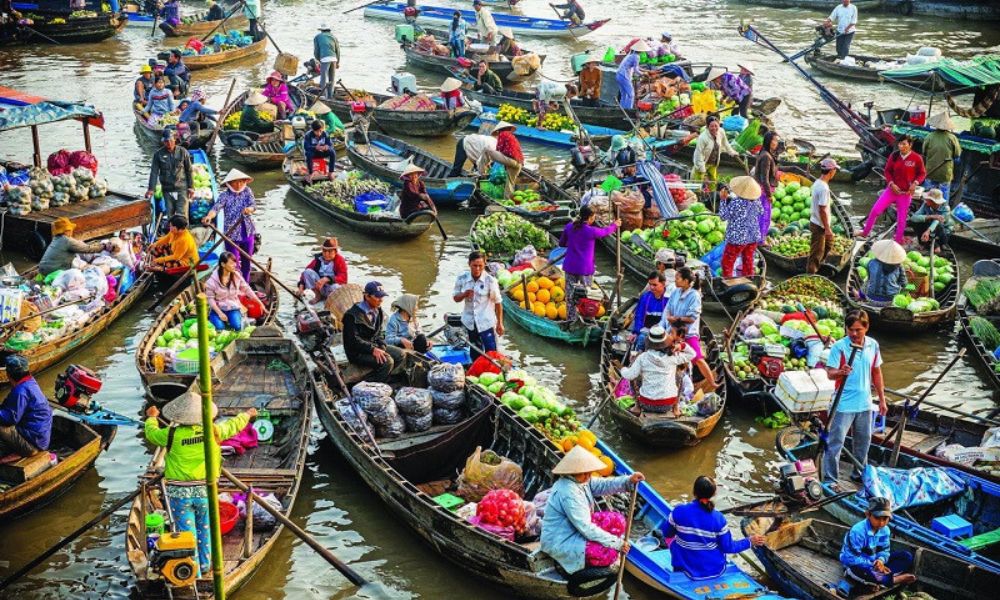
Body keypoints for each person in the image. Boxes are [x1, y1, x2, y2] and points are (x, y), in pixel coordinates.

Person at [144, 393, 257, 577]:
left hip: (179, 494)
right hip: (205, 491)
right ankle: (204, 565)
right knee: (205, 528)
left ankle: (193, 572)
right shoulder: (213, 431)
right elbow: (233, 425)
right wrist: (248, 414)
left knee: (187, 533)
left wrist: (151, 418)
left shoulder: (171, 434)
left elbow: (152, 434)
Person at [539, 445, 644, 576]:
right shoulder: (568, 492)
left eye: (588, 471)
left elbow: (604, 485)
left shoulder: (581, 481)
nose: (588, 475)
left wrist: (628, 480)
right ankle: (576, 564)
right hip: (561, 539)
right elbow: (586, 527)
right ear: (572, 472)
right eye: (584, 473)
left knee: (618, 520)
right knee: (606, 554)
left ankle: (603, 543)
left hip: (575, 527)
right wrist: (616, 543)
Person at [823, 309, 886, 486]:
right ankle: (830, 479)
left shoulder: (873, 345)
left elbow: (876, 372)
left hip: (864, 403)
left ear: (866, 328)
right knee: (835, 444)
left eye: (858, 330)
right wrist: (841, 372)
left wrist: (882, 399)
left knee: (863, 442)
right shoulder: (840, 347)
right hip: (842, 404)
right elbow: (830, 373)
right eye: (850, 329)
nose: (854, 333)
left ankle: (859, 473)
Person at [663, 476, 767, 579]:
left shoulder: (679, 511)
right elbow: (728, 547)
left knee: (672, 539)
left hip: (685, 569)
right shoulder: (719, 518)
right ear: (713, 494)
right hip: (715, 570)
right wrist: (749, 541)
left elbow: (667, 533)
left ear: (694, 492)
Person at [859, 135, 925, 245]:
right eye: (900, 144)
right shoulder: (894, 156)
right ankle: (865, 232)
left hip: (905, 194)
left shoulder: (917, 158)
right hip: (891, 191)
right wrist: (891, 183)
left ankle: (898, 240)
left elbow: (922, 173)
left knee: (901, 219)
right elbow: (887, 171)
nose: (901, 146)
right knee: (875, 211)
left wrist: (915, 183)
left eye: (904, 144)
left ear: (910, 145)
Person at [661, 267, 717, 391]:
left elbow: (692, 318)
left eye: (678, 278)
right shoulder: (676, 292)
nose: (675, 280)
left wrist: (676, 318)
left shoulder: (694, 295)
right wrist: (669, 318)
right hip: (674, 330)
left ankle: (712, 383)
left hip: (688, 332)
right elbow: (669, 307)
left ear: (686, 281)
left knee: (697, 358)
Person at [559, 205, 619, 321]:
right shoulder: (591, 231)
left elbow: (562, 243)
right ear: (591, 217)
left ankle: (571, 319)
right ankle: (585, 319)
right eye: (594, 216)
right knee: (587, 296)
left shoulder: (569, 227)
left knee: (571, 296)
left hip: (571, 266)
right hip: (585, 269)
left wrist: (573, 244)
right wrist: (615, 225)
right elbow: (605, 231)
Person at [841, 497, 917, 587]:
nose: (881, 523)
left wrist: (881, 561)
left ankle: (881, 579)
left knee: (906, 557)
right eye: (877, 518)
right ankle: (893, 579)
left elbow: (884, 550)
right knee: (858, 569)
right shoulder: (858, 532)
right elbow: (850, 558)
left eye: (885, 519)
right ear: (868, 514)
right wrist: (873, 565)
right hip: (856, 564)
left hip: (875, 563)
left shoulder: (885, 530)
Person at [620, 325, 695, 416]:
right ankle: (676, 408)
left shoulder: (643, 357)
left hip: (646, 404)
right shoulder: (673, 357)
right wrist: (682, 345)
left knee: (635, 376)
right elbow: (692, 354)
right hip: (668, 404)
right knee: (680, 375)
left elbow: (629, 375)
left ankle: (637, 407)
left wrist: (623, 369)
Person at [342, 281, 405, 383]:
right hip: (357, 352)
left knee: (400, 354)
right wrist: (372, 350)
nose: (381, 300)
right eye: (377, 297)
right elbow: (353, 341)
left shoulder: (378, 311)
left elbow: (379, 333)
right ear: (367, 296)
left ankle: (383, 377)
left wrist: (382, 346)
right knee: (388, 361)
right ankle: (372, 385)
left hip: (373, 345)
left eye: (382, 297)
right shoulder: (351, 316)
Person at [202, 169, 257, 281]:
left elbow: (253, 205)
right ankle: (235, 286)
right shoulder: (224, 195)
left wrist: (249, 210)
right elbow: (215, 208)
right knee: (233, 264)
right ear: (229, 183)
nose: (239, 184)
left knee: (247, 261)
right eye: (235, 182)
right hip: (231, 234)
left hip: (247, 231)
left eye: (241, 181)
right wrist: (209, 217)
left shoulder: (247, 191)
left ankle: (245, 284)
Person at [453, 251, 504, 358]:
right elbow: (455, 298)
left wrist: (500, 323)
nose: (477, 269)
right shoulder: (462, 278)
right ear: (469, 264)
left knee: (491, 353)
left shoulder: (490, 281)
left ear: (484, 264)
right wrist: (464, 294)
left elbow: (498, 303)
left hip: (486, 323)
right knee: (475, 351)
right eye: (474, 266)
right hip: (470, 322)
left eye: (480, 266)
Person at [0, 355, 51, 459]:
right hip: (40, 437)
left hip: (34, 442)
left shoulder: (21, 392)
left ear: (8, 375)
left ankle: (26, 450)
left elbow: (9, 419)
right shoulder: (30, 382)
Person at [205, 251, 263, 331]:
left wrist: (259, 302)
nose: (235, 265)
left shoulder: (236, 276)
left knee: (237, 326)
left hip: (233, 307)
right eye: (231, 263)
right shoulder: (211, 281)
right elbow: (210, 299)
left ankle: (241, 319)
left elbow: (247, 289)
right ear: (223, 264)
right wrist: (220, 313)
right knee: (220, 328)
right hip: (218, 309)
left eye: (235, 262)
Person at [719, 176, 763, 278]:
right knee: (748, 261)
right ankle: (749, 279)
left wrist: (722, 200)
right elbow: (761, 212)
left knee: (727, 262)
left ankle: (728, 282)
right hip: (753, 236)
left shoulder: (736, 202)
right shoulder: (757, 201)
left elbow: (723, 216)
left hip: (738, 238)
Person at [38, 217, 113, 276]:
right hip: (52, 271)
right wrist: (103, 247)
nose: (71, 231)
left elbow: (78, 245)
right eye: (70, 230)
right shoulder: (67, 241)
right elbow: (87, 249)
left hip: (42, 268)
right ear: (67, 231)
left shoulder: (56, 238)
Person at [146, 130, 194, 220]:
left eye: (171, 140)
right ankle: (171, 232)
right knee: (170, 214)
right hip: (167, 189)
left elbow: (189, 170)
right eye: (166, 141)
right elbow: (154, 172)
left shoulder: (183, 152)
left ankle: (184, 232)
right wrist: (151, 189)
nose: (169, 143)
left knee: (182, 215)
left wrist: (191, 187)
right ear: (163, 142)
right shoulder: (158, 155)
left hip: (182, 188)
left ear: (175, 140)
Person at [809, 158, 840, 274]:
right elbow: (822, 210)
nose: (835, 172)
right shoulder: (823, 188)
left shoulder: (818, 182)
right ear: (831, 171)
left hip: (817, 222)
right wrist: (827, 228)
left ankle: (818, 268)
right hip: (819, 225)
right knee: (816, 254)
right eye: (835, 170)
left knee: (827, 246)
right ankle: (811, 274)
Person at [921, 112, 962, 202]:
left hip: (931, 170)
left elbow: (924, 152)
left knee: (928, 194)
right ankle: (943, 210)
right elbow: (957, 154)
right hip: (945, 173)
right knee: (944, 195)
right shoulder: (952, 138)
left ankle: (927, 209)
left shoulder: (929, 136)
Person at [692, 115, 739, 190]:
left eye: (716, 126)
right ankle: (697, 194)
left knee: (713, 181)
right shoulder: (703, 138)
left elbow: (725, 143)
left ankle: (712, 195)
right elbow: (699, 154)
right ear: (707, 126)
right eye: (711, 126)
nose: (714, 128)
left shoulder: (721, 132)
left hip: (713, 162)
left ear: (719, 125)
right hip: (702, 162)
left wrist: (732, 152)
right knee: (698, 183)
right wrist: (702, 170)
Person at [632, 271, 671, 349]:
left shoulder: (669, 298)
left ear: (663, 284)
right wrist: (636, 332)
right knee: (641, 339)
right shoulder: (645, 297)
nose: (651, 287)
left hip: (664, 332)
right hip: (646, 330)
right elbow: (639, 316)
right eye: (650, 284)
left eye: (655, 285)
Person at [753, 131, 780, 244]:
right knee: (764, 216)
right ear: (769, 141)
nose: (776, 143)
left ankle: (759, 238)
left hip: (761, 189)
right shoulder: (766, 157)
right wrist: (769, 195)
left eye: (777, 140)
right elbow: (764, 178)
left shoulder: (766, 154)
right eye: (774, 140)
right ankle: (760, 240)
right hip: (763, 191)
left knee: (761, 214)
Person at [492, 121, 524, 198]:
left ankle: (481, 171)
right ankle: (511, 199)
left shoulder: (503, 134)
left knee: (486, 150)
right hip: (519, 163)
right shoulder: (512, 137)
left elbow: (498, 148)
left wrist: (494, 161)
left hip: (512, 161)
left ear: (500, 129)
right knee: (511, 183)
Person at [616, 40, 649, 110]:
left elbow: (636, 66)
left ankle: (622, 110)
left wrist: (646, 70)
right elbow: (636, 70)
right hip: (624, 75)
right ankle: (629, 110)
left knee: (624, 95)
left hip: (619, 74)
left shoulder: (630, 55)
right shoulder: (636, 56)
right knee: (631, 95)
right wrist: (644, 74)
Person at [302, 120, 336, 184]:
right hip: (313, 153)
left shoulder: (325, 134)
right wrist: (315, 147)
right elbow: (306, 147)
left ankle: (331, 172)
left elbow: (331, 145)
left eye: (320, 131)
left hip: (322, 152)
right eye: (317, 131)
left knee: (332, 152)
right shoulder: (308, 135)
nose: (319, 133)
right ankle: (311, 173)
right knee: (308, 154)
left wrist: (327, 146)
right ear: (313, 130)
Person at [313, 24, 340, 99]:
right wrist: (338, 62)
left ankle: (323, 95)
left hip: (325, 59)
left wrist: (318, 60)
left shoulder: (317, 37)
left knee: (323, 78)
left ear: (321, 30)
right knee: (332, 78)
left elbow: (316, 51)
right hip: (334, 58)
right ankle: (330, 96)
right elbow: (338, 50)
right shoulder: (334, 37)